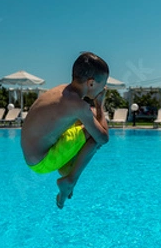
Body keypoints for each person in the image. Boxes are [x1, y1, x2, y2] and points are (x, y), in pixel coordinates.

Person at [20, 52, 110, 209]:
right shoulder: (77, 105)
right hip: (42, 162)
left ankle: (66, 168)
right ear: (91, 83)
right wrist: (100, 105)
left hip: (33, 155)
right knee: (95, 136)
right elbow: (103, 138)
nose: (105, 88)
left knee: (91, 123)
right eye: (103, 84)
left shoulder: (61, 91)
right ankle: (70, 180)